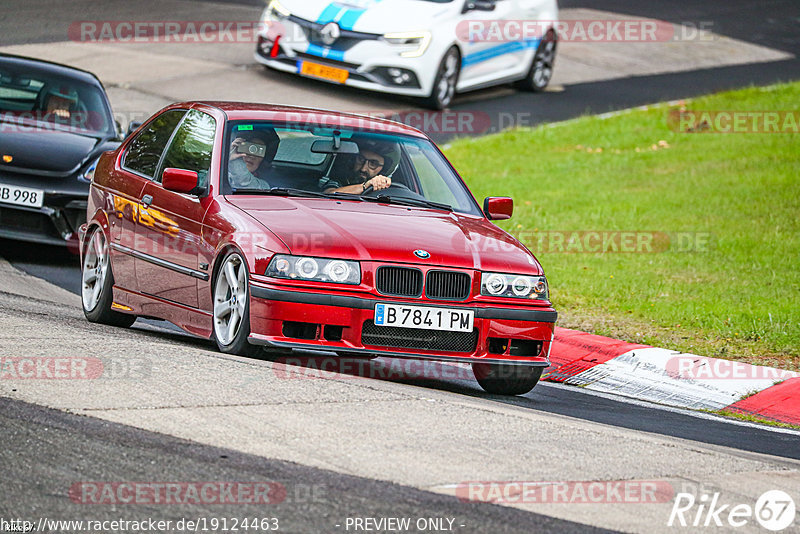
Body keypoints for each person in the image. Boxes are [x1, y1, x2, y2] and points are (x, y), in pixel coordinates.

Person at [320, 138, 400, 194]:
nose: (363, 168)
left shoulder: (389, 187)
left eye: (373, 164)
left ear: (383, 168)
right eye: (361, 159)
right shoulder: (342, 178)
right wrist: (365, 186)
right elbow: (329, 193)